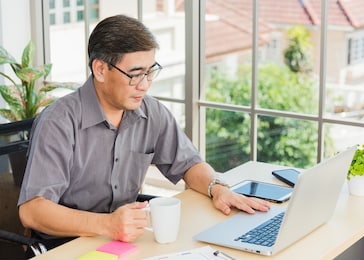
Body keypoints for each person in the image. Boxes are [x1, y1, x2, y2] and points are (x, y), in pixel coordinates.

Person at [18, 14, 270, 251]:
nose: (144, 85)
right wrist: (107, 224)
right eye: (135, 74)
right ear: (100, 69)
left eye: (150, 72)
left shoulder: (150, 112)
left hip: (124, 242)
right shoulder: (59, 122)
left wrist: (218, 189)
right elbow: (32, 211)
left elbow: (189, 164)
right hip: (67, 246)